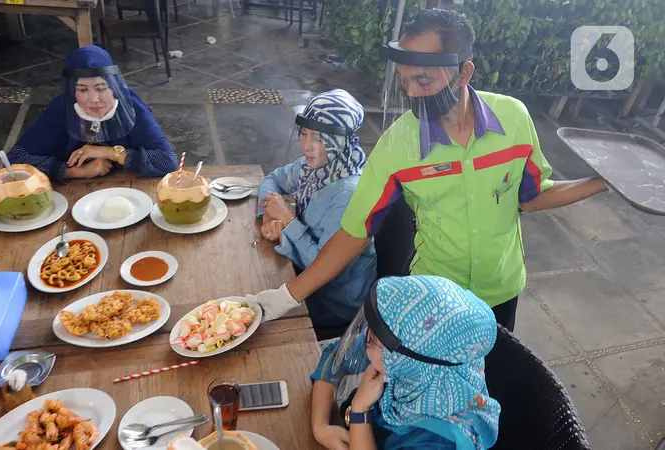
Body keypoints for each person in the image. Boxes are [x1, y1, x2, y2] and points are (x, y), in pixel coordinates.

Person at [247, 9, 609, 331]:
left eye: (424, 81)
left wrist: (601, 181)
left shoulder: (513, 119)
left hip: (502, 291)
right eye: (405, 81)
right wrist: (284, 297)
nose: (412, 93)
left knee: (488, 389)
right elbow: (354, 234)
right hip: (433, 298)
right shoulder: (398, 145)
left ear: (463, 73)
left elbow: (530, 196)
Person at [310, 275, 500, 450]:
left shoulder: (440, 440)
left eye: (374, 340)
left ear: (408, 361)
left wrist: (360, 410)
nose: (365, 342)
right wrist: (320, 426)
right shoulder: (412, 356)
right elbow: (336, 355)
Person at [257, 89, 376, 339]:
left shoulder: (348, 193)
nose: (306, 146)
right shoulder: (314, 167)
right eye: (303, 134)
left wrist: (288, 220)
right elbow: (272, 179)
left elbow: (324, 268)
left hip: (333, 304)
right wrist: (270, 215)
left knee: (255, 319)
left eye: (318, 138)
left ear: (341, 141)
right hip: (297, 271)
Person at [8, 45, 178, 183]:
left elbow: (167, 162)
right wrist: (75, 172)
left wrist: (110, 153)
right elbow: (15, 159)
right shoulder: (60, 109)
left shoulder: (132, 107)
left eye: (101, 88)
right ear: (72, 93)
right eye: (82, 90)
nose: (94, 99)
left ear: (113, 86)